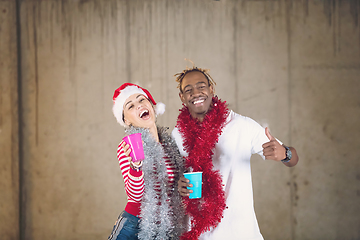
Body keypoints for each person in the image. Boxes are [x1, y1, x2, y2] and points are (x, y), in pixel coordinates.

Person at [171, 66, 299, 240]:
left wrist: (285, 154)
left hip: (239, 233)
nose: (196, 93)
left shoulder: (241, 125)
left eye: (201, 86)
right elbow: (172, 180)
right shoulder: (178, 134)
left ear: (211, 89)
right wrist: (180, 186)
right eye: (188, 90)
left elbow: (293, 159)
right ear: (182, 97)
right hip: (197, 233)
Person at [108, 83, 185, 240]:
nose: (139, 105)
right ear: (127, 121)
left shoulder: (169, 144)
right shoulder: (128, 145)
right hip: (135, 225)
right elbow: (135, 196)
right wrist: (135, 166)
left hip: (165, 227)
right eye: (130, 106)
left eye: (141, 100)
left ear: (152, 106)